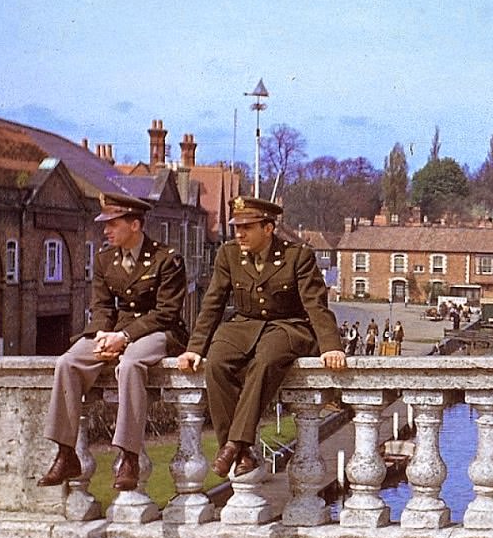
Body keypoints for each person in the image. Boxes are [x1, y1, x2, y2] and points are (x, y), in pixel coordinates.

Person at [177, 196, 346, 476]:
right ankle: (240, 452)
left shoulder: (297, 255)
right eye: (236, 227)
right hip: (243, 325)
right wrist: (195, 348)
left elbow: (315, 304)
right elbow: (213, 303)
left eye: (248, 227)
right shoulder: (228, 254)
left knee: (266, 361)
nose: (239, 233)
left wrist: (331, 346)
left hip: (288, 326)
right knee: (217, 361)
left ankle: (232, 445)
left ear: (268, 229)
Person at [38, 192, 187, 491]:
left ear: (135, 225)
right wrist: (103, 335)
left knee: (131, 364)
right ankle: (66, 453)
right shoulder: (105, 259)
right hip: (116, 329)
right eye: (105, 224)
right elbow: (102, 306)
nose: (106, 230)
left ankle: (129, 456)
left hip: (158, 330)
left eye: (113, 224)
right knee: (68, 362)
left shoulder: (166, 259)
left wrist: (125, 337)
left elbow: (167, 312)